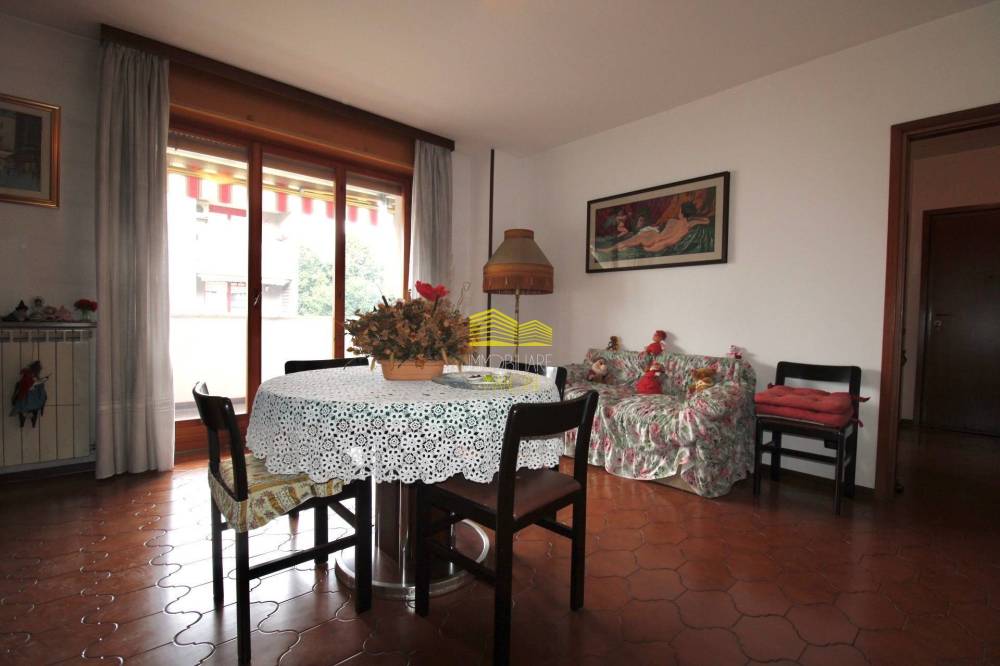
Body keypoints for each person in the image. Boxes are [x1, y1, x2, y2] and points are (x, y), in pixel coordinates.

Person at [611, 202, 710, 254]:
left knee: (639, 237)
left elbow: (663, 234)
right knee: (642, 237)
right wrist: (692, 217)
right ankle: (622, 247)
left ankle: (613, 248)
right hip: (658, 247)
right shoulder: (689, 225)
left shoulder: (673, 221)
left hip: (655, 240)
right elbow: (706, 220)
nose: (678, 212)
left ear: (682, 213)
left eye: (680, 211)